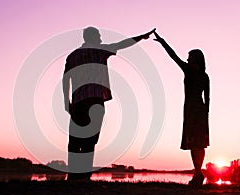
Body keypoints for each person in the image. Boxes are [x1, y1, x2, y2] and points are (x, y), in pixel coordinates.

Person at [63, 26, 155, 180]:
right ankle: (83, 176)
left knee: (74, 140)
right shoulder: (99, 50)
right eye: (98, 35)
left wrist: (66, 102)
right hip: (95, 99)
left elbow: (66, 79)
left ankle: (73, 175)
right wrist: (142, 36)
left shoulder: (73, 56)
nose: (100, 38)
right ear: (91, 37)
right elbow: (122, 44)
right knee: (89, 140)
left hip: (78, 101)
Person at [153, 30, 210, 186]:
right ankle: (198, 173)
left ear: (195, 60)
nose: (187, 59)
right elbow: (208, 98)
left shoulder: (189, 70)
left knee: (194, 143)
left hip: (191, 110)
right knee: (200, 143)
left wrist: (162, 42)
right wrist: (207, 113)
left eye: (189, 57)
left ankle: (198, 173)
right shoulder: (205, 76)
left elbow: (173, 56)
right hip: (201, 110)